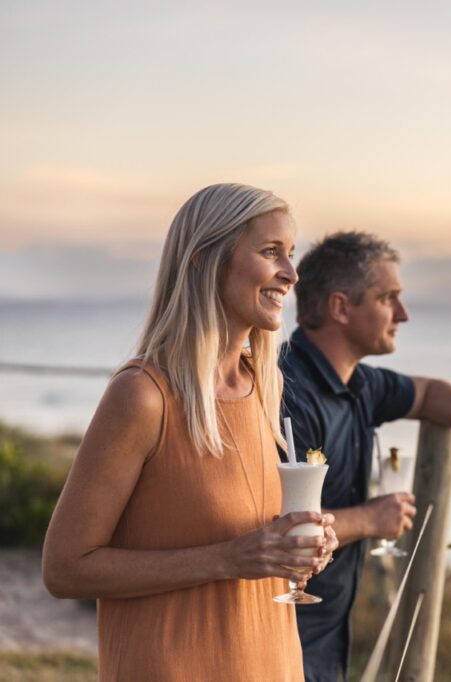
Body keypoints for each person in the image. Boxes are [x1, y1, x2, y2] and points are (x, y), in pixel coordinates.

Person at [42, 183, 340, 681]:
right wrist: (230, 558)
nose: (291, 274)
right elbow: (65, 569)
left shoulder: (263, 388)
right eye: (271, 252)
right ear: (204, 259)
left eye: (291, 254)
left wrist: (304, 547)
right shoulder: (143, 395)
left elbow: (252, 541)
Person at [279, 231, 451, 682]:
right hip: (278, 643)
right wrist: (371, 520)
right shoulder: (288, 393)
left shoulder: (360, 385)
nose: (403, 314)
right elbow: (281, 527)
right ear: (341, 307)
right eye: (388, 298)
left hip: (324, 647)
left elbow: (430, 393)